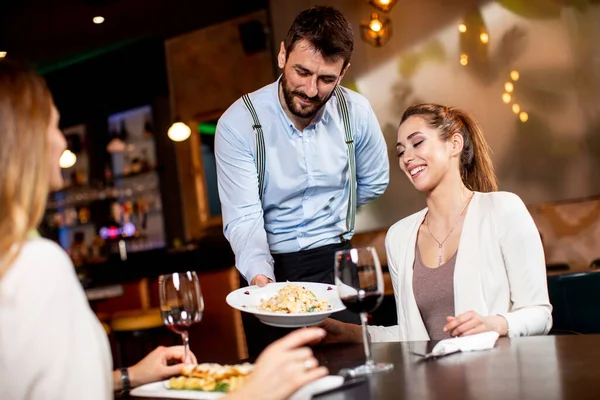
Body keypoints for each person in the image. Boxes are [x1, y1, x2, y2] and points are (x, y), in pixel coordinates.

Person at [0, 59, 328, 400]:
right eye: (53, 126)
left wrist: (129, 376)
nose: (61, 143)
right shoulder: (36, 265)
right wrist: (253, 393)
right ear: (23, 142)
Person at [215, 5, 389, 355]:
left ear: (343, 73)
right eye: (302, 72)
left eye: (326, 79)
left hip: (339, 262)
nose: (311, 89)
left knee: (355, 375)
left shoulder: (356, 112)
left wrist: (330, 211)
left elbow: (373, 181)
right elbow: (244, 218)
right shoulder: (239, 123)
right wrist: (263, 282)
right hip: (272, 267)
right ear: (283, 54)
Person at [319, 103, 553, 343]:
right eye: (400, 152)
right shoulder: (399, 236)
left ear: (454, 144)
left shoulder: (503, 210)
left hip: (497, 374)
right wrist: (346, 332)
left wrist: (495, 324)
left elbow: (540, 314)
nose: (407, 158)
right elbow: (410, 336)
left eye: (417, 143)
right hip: (431, 379)